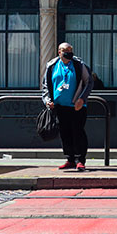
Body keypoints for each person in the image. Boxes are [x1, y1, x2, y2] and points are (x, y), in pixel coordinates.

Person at [42, 42, 94, 171]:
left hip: (76, 106)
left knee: (78, 132)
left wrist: (82, 98)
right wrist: (48, 100)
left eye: (70, 50)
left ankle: (80, 160)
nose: (68, 52)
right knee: (65, 133)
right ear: (59, 52)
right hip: (60, 106)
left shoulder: (79, 65)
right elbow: (45, 85)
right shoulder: (52, 66)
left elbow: (89, 82)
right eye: (65, 50)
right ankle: (70, 159)